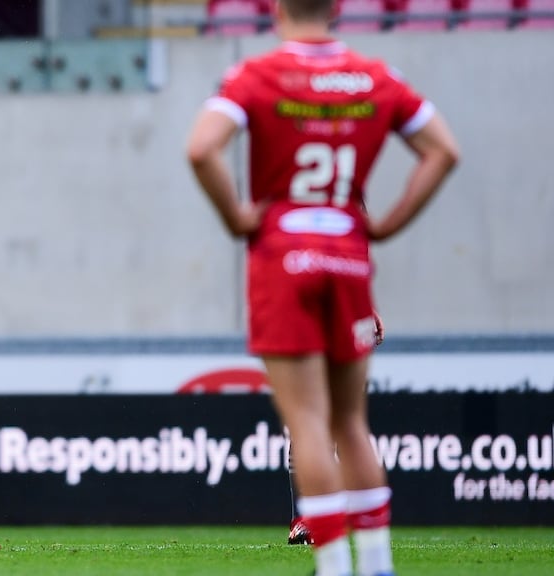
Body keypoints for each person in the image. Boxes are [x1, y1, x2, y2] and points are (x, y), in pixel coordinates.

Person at [186, 0, 459, 572]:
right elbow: (443, 151)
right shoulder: (376, 76)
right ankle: (378, 562)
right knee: (351, 422)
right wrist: (384, 225)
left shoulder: (256, 74)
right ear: (337, 8)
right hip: (348, 257)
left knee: (307, 422)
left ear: (276, 8)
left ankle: (335, 563)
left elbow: (201, 148)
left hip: (284, 258)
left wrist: (238, 218)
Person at [288, 312, 385, 547]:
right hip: (348, 316)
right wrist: (365, 310)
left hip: (316, 321)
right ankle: (371, 538)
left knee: (313, 424)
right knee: (347, 424)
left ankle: (309, 521)